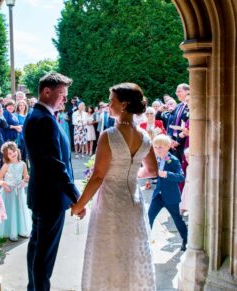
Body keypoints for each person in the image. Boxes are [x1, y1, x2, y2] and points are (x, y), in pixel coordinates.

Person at [72, 82, 158, 290]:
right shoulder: (144, 136)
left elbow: (98, 176)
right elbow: (153, 170)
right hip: (134, 202)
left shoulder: (109, 135)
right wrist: (130, 175)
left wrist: (79, 205)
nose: (107, 106)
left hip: (110, 203)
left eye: (111, 101)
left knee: (109, 253)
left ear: (124, 105)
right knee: (130, 252)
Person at [23, 73, 86, 291]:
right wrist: (77, 196)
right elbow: (55, 165)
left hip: (43, 195)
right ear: (46, 92)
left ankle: (34, 288)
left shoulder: (40, 115)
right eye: (62, 94)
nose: (65, 100)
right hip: (50, 197)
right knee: (44, 255)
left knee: (37, 247)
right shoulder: (43, 120)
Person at [147, 134, 188, 251]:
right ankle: (145, 241)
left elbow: (181, 177)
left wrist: (166, 174)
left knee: (177, 219)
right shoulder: (155, 159)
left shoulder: (173, 161)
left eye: (160, 147)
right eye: (155, 147)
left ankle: (186, 239)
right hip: (158, 195)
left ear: (167, 147)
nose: (157, 149)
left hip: (171, 196)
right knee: (149, 217)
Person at [0, 141, 31, 241]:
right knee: (10, 211)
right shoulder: (6, 165)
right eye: (10, 154)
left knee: (20, 210)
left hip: (19, 191)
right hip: (9, 191)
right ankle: (11, 232)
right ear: (6, 156)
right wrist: (4, 185)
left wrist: (24, 181)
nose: (13, 154)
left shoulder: (23, 164)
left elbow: (26, 177)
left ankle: (22, 230)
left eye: (14, 151)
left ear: (17, 150)